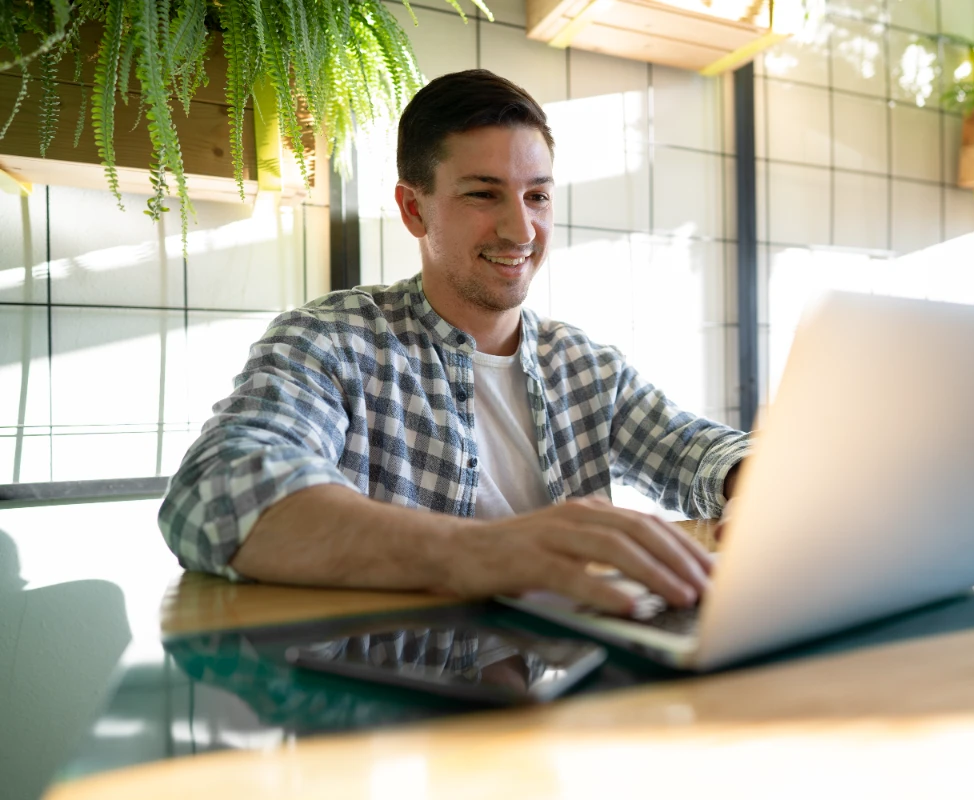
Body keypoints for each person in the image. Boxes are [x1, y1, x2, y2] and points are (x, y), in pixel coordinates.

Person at [159, 69, 749, 615]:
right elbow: (215, 493)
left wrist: (757, 482)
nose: (521, 230)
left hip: (574, 691)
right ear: (415, 209)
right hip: (400, 706)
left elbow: (697, 451)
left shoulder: (585, 366)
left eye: (537, 195)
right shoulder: (332, 341)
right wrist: (481, 552)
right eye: (483, 194)